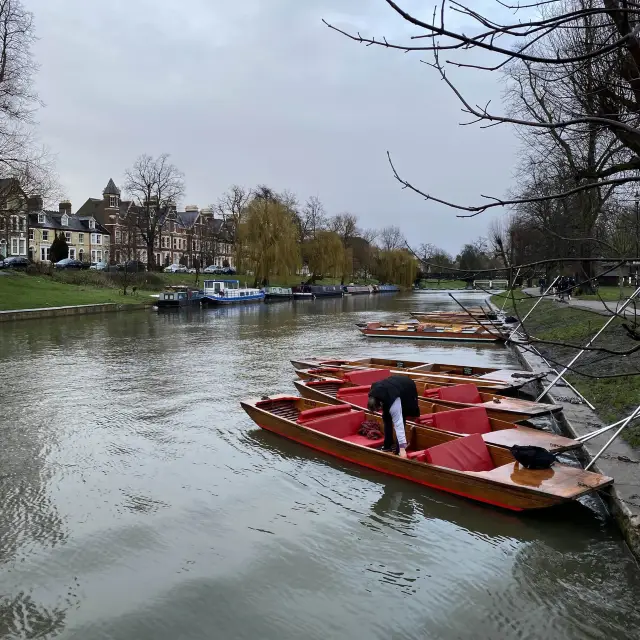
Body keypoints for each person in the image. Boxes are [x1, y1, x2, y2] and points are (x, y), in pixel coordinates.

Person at [367, 376, 420, 458]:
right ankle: (388, 446)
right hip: (393, 385)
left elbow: (399, 425)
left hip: (407, 388)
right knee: (386, 416)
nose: (379, 410)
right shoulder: (373, 392)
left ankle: (400, 449)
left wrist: (402, 449)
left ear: (381, 403)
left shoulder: (394, 403)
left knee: (401, 417)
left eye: (379, 409)